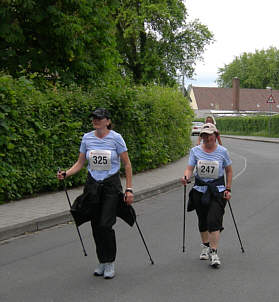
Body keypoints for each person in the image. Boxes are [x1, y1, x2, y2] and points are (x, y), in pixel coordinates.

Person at [57, 108, 134, 279]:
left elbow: (127, 164)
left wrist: (129, 189)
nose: (95, 120)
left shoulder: (116, 138)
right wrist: (66, 173)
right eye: (93, 118)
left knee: (105, 224)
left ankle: (110, 262)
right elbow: (80, 163)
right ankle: (102, 260)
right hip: (92, 185)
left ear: (107, 121)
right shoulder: (87, 138)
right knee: (95, 225)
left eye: (99, 118)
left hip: (110, 186)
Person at [182, 123, 232, 267]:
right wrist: (186, 177)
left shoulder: (223, 151)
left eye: (210, 135)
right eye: (204, 135)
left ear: (215, 136)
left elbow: (229, 171)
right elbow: (189, 169)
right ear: (201, 137)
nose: (207, 138)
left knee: (213, 221)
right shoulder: (195, 151)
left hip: (217, 191)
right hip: (199, 190)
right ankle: (205, 245)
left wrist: (228, 189)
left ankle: (214, 252)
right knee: (203, 221)